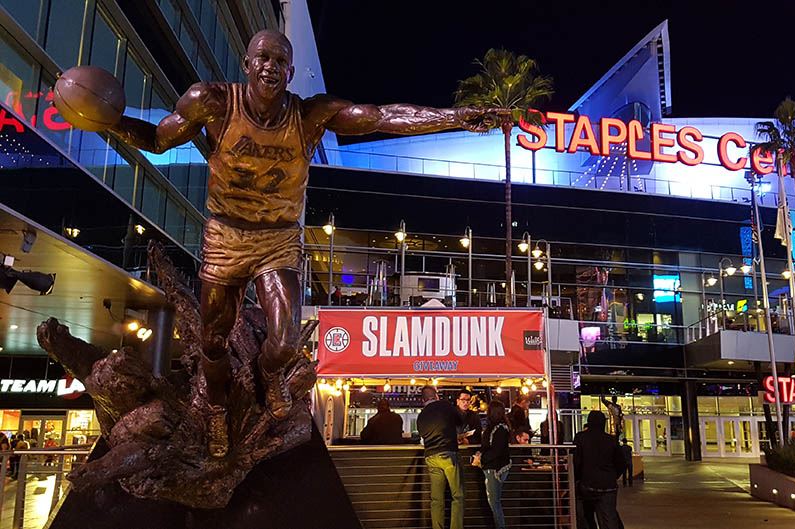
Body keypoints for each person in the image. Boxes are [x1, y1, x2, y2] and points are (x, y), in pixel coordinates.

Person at [80, 29, 499, 458]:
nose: (270, 66)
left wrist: (454, 117)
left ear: (291, 72)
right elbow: (156, 139)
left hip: (277, 237)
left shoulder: (309, 116)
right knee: (212, 340)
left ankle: (270, 375)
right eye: (263, 58)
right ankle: (217, 409)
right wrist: (111, 122)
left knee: (284, 340)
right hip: (226, 233)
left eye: (280, 61)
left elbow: (382, 116)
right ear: (246, 65)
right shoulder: (212, 102)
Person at [416, 385, 464, 529]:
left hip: (430, 456)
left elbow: (423, 436)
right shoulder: (445, 405)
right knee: (458, 495)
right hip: (448, 454)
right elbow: (460, 421)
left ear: (423, 400)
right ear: (436, 395)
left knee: (436, 499)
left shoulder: (421, 416)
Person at [574, 411, 626, 529]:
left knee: (585, 515)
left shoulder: (580, 437)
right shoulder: (611, 440)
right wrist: (613, 476)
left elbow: (576, 461)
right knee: (608, 518)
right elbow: (621, 463)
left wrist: (579, 478)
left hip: (587, 485)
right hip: (608, 486)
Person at [478, 401, 511, 529]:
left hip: (494, 469)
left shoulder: (498, 429)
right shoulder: (500, 428)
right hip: (496, 467)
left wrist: (481, 459)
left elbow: (495, 451)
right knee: (494, 502)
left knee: (494, 503)